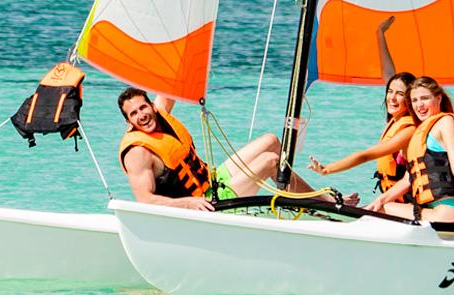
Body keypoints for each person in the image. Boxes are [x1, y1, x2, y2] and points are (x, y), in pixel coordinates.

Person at [113, 87, 315, 208]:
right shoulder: (138, 153)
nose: (142, 115)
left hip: (214, 180)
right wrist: (188, 204)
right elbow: (145, 200)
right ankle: (320, 202)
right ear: (129, 123)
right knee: (270, 162)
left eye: (143, 107)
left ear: (152, 106)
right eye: (133, 114)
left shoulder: (161, 113)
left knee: (271, 140)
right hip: (208, 203)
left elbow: (173, 80)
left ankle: (301, 199)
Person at [364, 77, 454, 225]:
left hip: (448, 211)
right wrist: (378, 200)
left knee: (380, 211)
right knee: (378, 207)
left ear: (438, 99)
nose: (419, 105)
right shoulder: (420, 133)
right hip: (432, 211)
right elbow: (408, 179)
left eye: (424, 98)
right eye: (414, 100)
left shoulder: (446, 122)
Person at [305, 69, 420, 208]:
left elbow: (365, 156)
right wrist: (381, 45)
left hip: (405, 205)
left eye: (400, 94)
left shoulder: (409, 129)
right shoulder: (396, 121)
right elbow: (388, 73)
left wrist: (327, 169)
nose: (392, 98)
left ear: (410, 99)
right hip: (391, 201)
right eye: (390, 91)